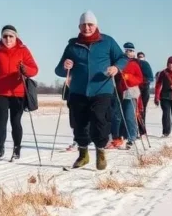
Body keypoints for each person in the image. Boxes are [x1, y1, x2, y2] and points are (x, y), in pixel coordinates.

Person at [53, 11, 127, 170]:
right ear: (79, 26)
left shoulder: (107, 42)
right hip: (78, 91)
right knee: (80, 124)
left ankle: (100, 153)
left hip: (102, 89)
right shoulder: (72, 46)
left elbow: (122, 58)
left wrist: (116, 67)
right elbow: (59, 71)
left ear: (96, 25)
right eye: (83, 25)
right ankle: (83, 155)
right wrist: (65, 66)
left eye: (90, 24)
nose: (87, 28)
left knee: (100, 120)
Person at [0, 24, 38, 162]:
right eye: (5, 36)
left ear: (16, 37)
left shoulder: (23, 51)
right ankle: (0, 149)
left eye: (10, 36)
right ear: (1, 38)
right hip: (1, 92)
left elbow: (34, 69)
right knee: (1, 121)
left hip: (18, 92)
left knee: (15, 121)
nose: (8, 39)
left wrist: (25, 70)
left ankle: (17, 148)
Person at [108, 43, 144, 150]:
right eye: (127, 50)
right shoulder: (118, 63)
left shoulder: (135, 64)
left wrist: (128, 76)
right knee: (117, 117)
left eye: (131, 50)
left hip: (130, 92)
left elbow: (140, 79)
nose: (129, 52)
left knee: (129, 116)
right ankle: (117, 138)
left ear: (134, 52)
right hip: (117, 93)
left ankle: (131, 138)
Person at [136, 52, 154, 125]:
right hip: (136, 88)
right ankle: (137, 126)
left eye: (141, 56)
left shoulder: (146, 65)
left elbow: (150, 78)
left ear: (144, 57)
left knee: (142, 108)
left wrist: (143, 80)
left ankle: (142, 125)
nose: (140, 58)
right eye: (139, 56)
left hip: (144, 89)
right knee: (135, 108)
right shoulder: (135, 64)